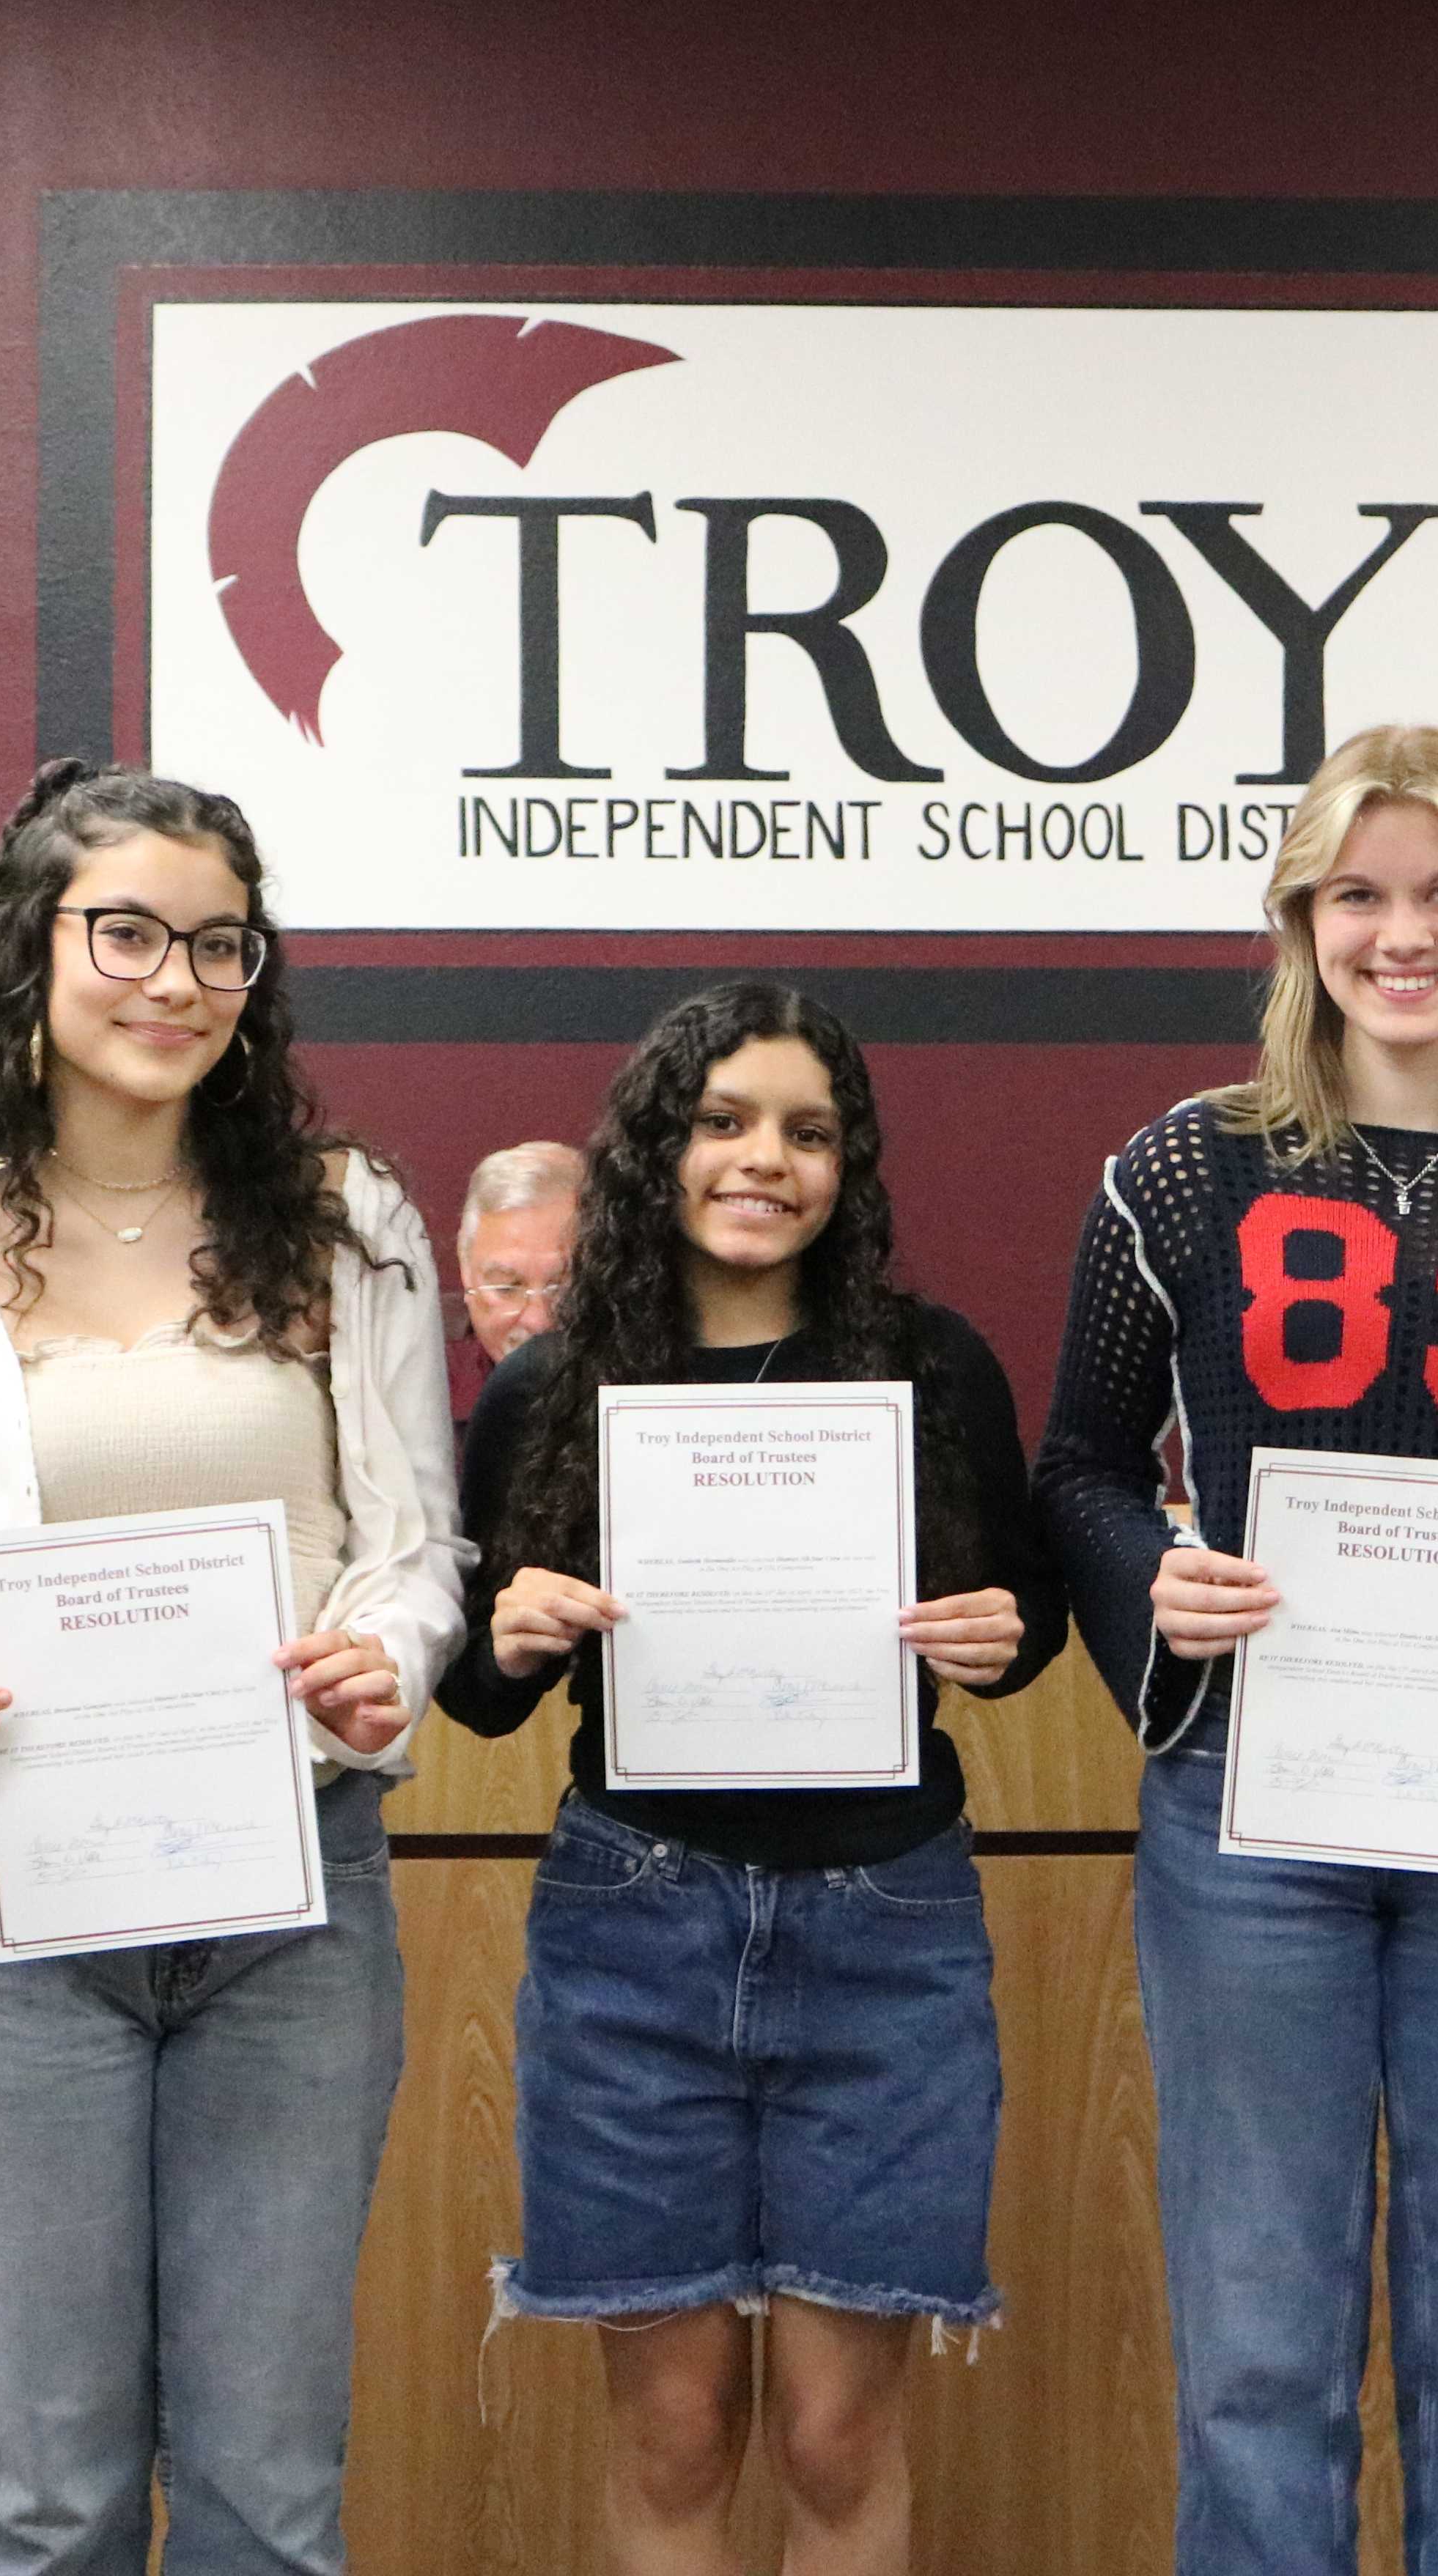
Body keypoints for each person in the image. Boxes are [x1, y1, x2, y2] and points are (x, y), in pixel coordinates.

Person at [0, 760, 471, 2576]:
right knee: (51, 2492)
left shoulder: (350, 1219)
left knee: (267, 2488)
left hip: (295, 1905)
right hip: (20, 1910)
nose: (176, 979)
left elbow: (418, 1546)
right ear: (33, 950)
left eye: (220, 944)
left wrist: (383, 1660)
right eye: (131, 932)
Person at [1036, 723, 1438, 2576]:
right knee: (1260, 2356)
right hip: (1251, 1815)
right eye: (1360, 895)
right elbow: (1079, 1466)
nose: (1402, 934)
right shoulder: (1183, 1171)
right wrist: (1149, 1582)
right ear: (1299, 920)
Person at [435, 981, 1066, 2576]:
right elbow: (471, 1691)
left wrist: (1001, 1632)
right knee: (671, 2428)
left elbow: (1033, 1617)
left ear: (850, 1164)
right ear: (660, 1146)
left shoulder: (932, 1362)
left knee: (837, 2435)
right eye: (723, 1121)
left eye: (807, 1129)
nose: (763, 1158)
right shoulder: (548, 1383)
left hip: (887, 1933)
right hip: (633, 1930)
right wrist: (509, 1632)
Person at [453, 1138, 585, 1372]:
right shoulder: (434, 1390)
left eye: (563, 1289)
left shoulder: (647, 1389)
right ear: (467, 1275)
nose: (539, 1321)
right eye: (507, 1288)